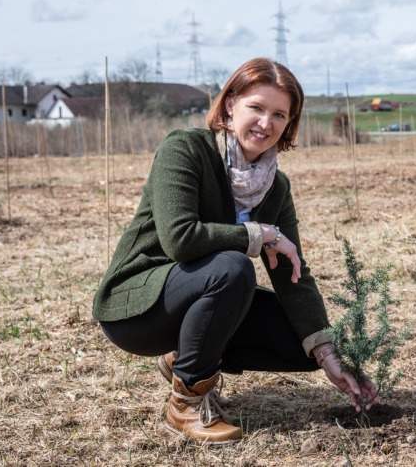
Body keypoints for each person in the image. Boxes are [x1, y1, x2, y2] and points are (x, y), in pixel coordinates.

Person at [92, 57, 379, 444]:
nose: (266, 123)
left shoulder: (275, 187)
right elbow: (181, 239)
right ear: (230, 104)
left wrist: (328, 351)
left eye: (279, 114)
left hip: (202, 296)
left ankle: (184, 358)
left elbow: (293, 277)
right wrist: (258, 234)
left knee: (302, 345)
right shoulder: (186, 149)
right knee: (232, 268)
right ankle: (187, 401)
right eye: (256, 108)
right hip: (138, 307)